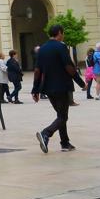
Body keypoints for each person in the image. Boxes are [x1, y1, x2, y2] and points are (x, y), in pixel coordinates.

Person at [33, 24, 85, 153]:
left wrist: (35, 89)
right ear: (60, 33)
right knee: (63, 117)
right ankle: (46, 133)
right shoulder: (61, 47)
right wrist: (81, 83)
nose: (64, 35)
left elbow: (37, 70)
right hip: (61, 86)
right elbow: (69, 67)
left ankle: (65, 143)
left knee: (60, 115)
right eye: (63, 33)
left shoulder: (42, 49)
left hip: (48, 88)